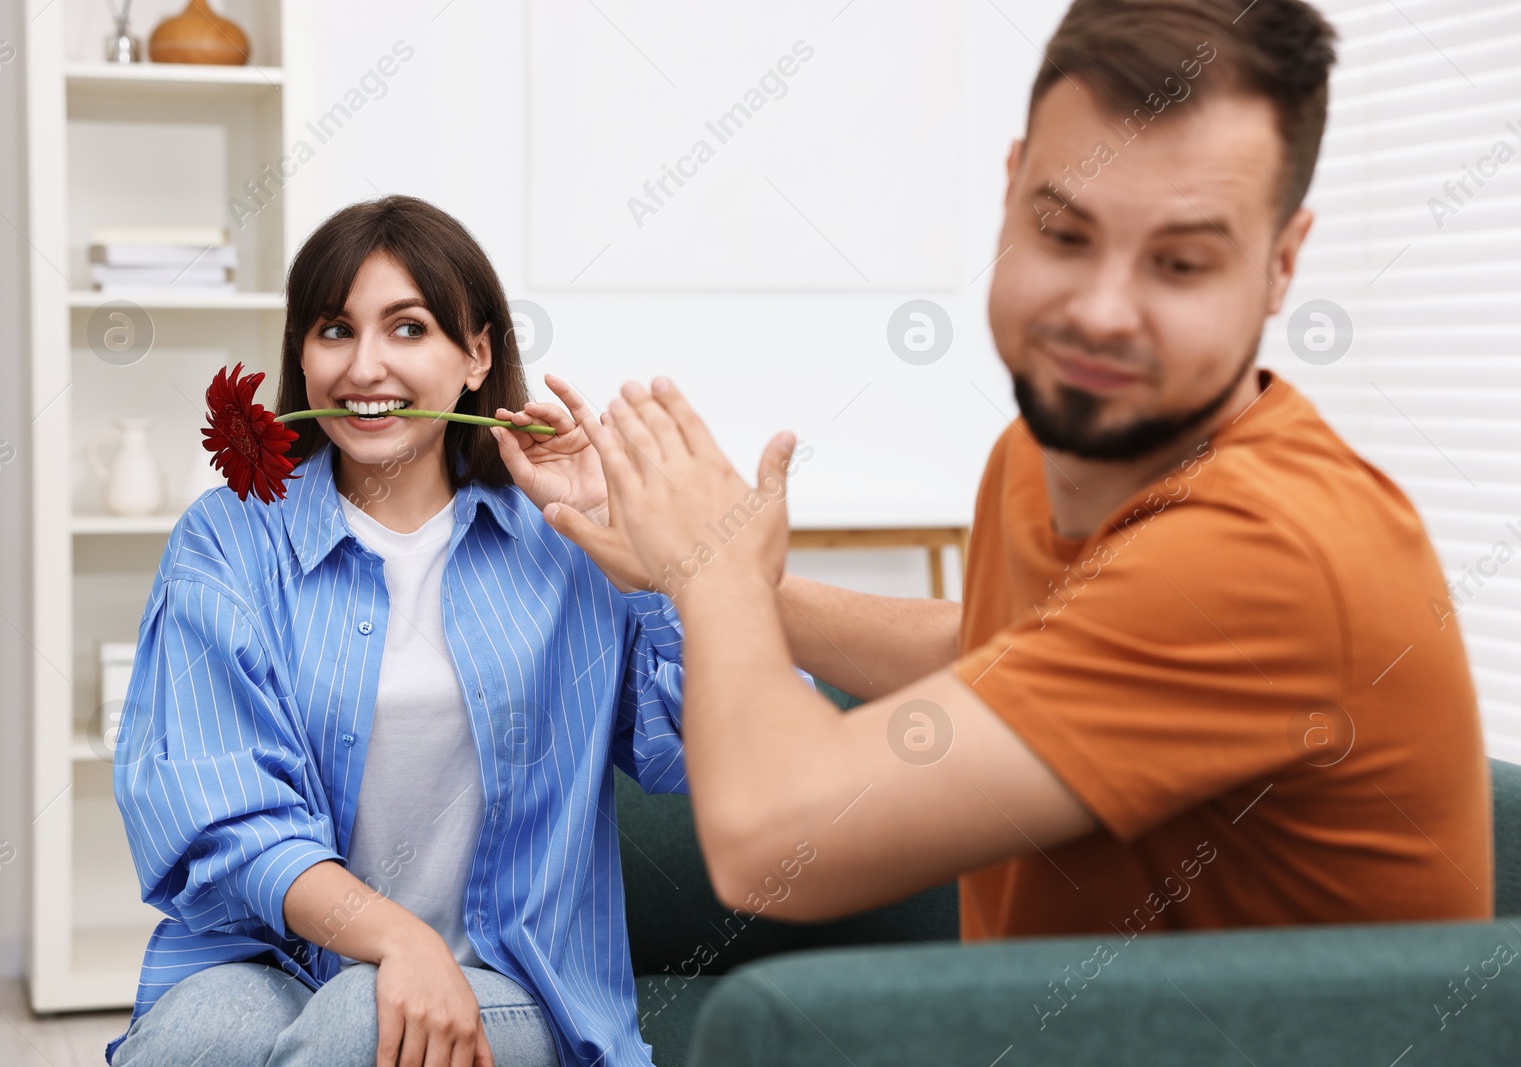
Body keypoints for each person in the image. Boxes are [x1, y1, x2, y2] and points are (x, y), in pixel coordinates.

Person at [543, 0, 1494, 942]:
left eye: (1182, 263)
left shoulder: (1268, 552)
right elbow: (1016, 657)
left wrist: (715, 576)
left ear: (1283, 265)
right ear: (1012, 190)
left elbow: (773, 837)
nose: (1102, 313)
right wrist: (705, 568)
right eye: (1066, 234)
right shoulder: (1045, 451)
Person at [107, 196, 690, 1067]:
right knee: (194, 1041)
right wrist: (397, 939)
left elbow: (711, 749)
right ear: (301, 356)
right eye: (335, 330)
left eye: (408, 328)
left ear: (476, 355)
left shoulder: (565, 543)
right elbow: (224, 820)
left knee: (359, 1021)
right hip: (279, 958)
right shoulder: (226, 539)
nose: (364, 366)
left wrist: (631, 547)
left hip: (509, 981)